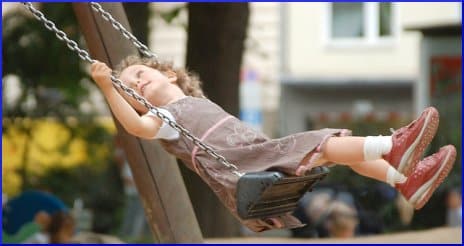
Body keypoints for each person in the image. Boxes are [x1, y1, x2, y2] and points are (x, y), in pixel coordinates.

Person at [90, 56, 457, 233]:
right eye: (129, 90)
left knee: (334, 147)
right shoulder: (163, 119)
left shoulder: (193, 102)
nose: (135, 85)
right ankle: (391, 145)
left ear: (168, 72)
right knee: (325, 143)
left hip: (259, 153)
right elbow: (136, 127)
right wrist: (109, 88)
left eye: (139, 75)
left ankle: (404, 180)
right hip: (246, 170)